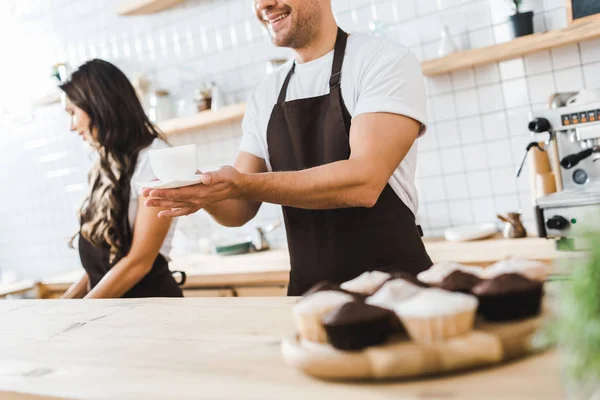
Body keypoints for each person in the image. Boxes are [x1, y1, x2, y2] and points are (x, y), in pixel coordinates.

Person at [143, 0, 432, 296]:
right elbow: (238, 210)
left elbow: (364, 182)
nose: (263, 5)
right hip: (310, 297)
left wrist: (240, 184)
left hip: (397, 293)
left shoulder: (382, 61)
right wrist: (200, 190)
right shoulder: (266, 93)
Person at [60, 59, 185, 299]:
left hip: (152, 310)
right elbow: (104, 265)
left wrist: (80, 313)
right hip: (112, 312)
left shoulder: (155, 158)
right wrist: (64, 307)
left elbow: (139, 261)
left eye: (73, 113)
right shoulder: (107, 164)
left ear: (97, 105)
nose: (71, 126)